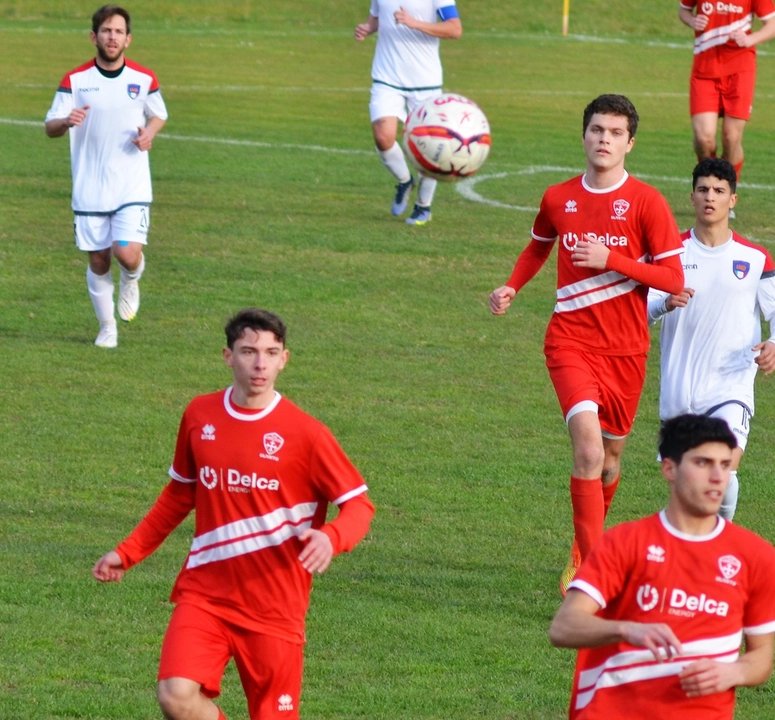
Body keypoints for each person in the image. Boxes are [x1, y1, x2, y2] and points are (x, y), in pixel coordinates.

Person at [92, 308, 376, 720]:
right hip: (205, 594)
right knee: (175, 695)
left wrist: (332, 537)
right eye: (248, 351)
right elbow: (179, 494)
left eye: (270, 352)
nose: (260, 364)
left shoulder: (307, 434)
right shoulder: (200, 415)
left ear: (284, 359)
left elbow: (359, 504)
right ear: (228, 356)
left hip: (274, 607)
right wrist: (128, 552)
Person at [489, 94, 685, 594]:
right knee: (590, 452)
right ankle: (596, 577)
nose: (605, 140)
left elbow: (672, 278)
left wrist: (612, 259)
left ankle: (581, 551)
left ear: (630, 144)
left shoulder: (646, 202)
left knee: (612, 460)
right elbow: (538, 245)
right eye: (597, 130)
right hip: (569, 342)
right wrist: (513, 284)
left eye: (616, 133)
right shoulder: (558, 197)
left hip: (626, 350)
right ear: (584, 135)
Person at [549, 414, 775, 719]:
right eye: (703, 463)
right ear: (669, 469)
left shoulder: (756, 556)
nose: (717, 477)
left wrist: (734, 672)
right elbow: (563, 627)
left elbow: (762, 655)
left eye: (725, 465)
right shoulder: (626, 543)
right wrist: (626, 629)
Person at [648, 158, 775, 521]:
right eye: (702, 190)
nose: (710, 197)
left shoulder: (753, 258)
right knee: (689, 487)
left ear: (733, 200)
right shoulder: (670, 253)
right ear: (692, 198)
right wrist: (665, 302)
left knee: (722, 473)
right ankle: (694, 553)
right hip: (679, 389)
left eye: (719, 191)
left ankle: (719, 542)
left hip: (731, 385)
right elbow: (641, 306)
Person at [45, 4, 168, 349]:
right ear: (93, 37)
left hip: (131, 183)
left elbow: (158, 114)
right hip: (90, 187)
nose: (111, 37)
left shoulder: (143, 79)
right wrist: (66, 121)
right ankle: (107, 327)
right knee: (99, 259)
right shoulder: (75, 80)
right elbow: (49, 127)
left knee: (126, 253)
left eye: (118, 32)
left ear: (128, 39)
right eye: (105, 31)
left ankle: (132, 277)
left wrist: (150, 134)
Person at [354, 0, 462, 225]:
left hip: (426, 82)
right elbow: (377, 15)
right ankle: (405, 181)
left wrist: (414, 23)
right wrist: (368, 28)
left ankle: (423, 207)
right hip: (386, 78)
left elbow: (454, 28)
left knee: (430, 148)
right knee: (383, 137)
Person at [678, 0, 775, 186]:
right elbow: (684, 10)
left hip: (740, 71)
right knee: (703, 139)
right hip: (705, 71)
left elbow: (773, 27)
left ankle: (726, 190)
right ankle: (710, 183)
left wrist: (750, 39)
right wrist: (692, 21)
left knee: (731, 137)